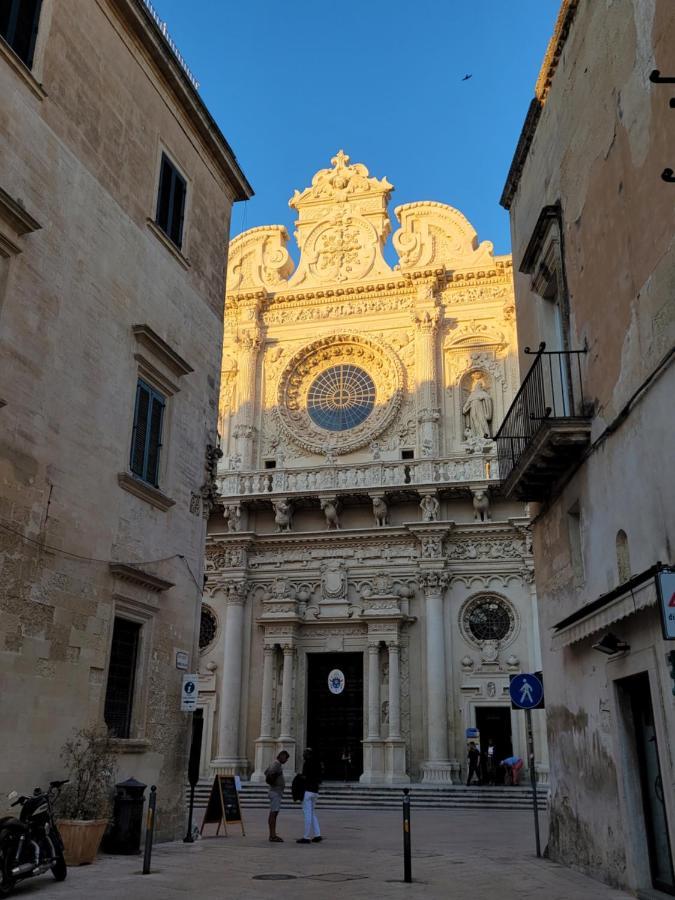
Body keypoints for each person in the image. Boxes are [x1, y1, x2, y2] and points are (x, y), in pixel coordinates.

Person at [297, 747, 323, 844]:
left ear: (308, 754)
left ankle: (306, 836)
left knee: (307, 813)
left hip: (308, 790)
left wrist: (299, 777)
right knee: (312, 813)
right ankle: (317, 834)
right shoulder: (318, 764)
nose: (303, 755)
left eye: (305, 753)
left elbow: (305, 776)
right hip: (315, 791)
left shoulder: (307, 763)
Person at [264, 750, 290, 842]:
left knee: (274, 813)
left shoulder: (275, 763)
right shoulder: (277, 764)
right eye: (286, 758)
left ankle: (273, 834)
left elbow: (266, 772)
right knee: (273, 813)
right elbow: (269, 774)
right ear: (282, 756)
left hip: (275, 792)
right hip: (275, 792)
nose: (286, 760)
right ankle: (272, 835)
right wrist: (274, 780)